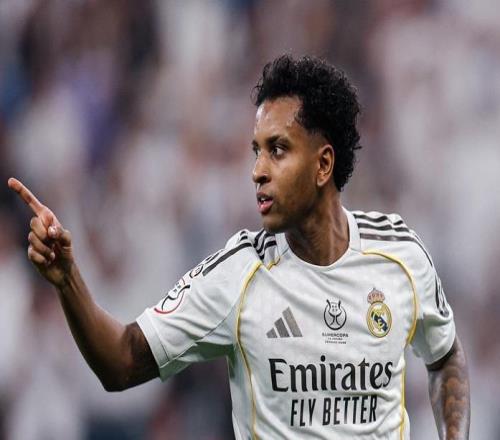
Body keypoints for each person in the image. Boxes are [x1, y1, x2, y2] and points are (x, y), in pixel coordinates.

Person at [8, 55, 470, 439]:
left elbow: (446, 356)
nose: (257, 171)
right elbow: (121, 362)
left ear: (324, 164)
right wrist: (67, 279)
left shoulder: (400, 256)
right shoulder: (238, 275)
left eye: (278, 150)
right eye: (256, 150)